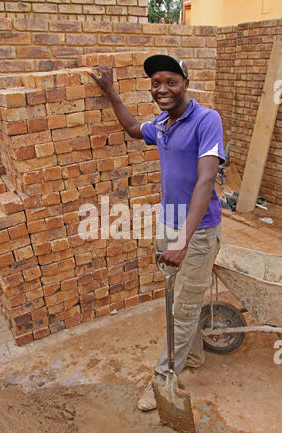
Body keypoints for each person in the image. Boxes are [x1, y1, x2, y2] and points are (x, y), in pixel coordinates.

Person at [89, 54, 225, 411]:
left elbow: (206, 179)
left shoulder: (206, 120)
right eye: (156, 83)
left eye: (170, 81)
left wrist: (183, 241)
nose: (162, 89)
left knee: (182, 307)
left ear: (185, 83)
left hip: (198, 230)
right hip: (169, 223)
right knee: (176, 302)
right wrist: (111, 93)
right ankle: (192, 357)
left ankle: (164, 377)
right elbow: (134, 129)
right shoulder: (163, 123)